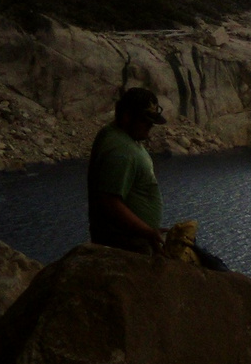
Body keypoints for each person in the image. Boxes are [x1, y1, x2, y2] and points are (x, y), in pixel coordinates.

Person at [87, 86, 226, 270]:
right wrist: (147, 232)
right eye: (146, 122)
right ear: (127, 117)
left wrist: (148, 235)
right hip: (125, 245)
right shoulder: (120, 151)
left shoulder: (117, 135)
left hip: (133, 239)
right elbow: (109, 201)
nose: (151, 127)